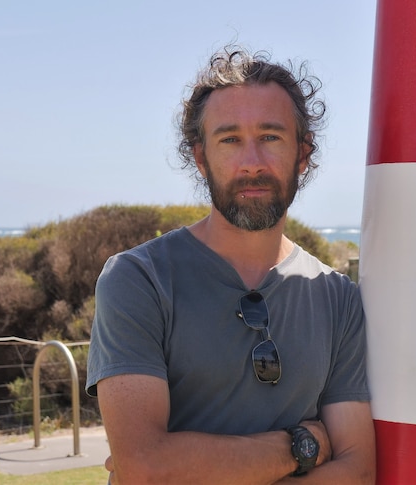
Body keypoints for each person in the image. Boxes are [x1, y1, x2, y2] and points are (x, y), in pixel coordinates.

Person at [86, 45, 375, 484]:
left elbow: (356, 471)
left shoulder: (338, 298)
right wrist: (303, 445)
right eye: (230, 140)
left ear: (303, 153)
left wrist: (193, 465)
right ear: (201, 157)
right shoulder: (139, 279)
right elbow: (146, 468)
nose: (252, 163)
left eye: (271, 137)